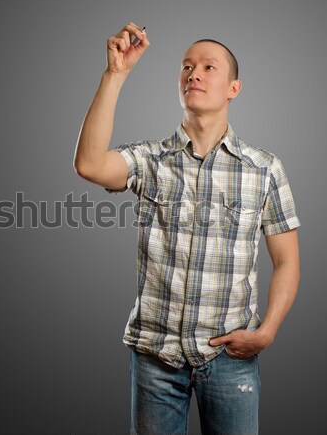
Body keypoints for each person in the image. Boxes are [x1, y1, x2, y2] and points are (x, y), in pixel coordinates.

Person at [73, 22, 301, 435]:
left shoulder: (265, 169)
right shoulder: (149, 160)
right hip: (154, 359)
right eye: (186, 66)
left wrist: (266, 332)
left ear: (234, 88)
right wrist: (115, 74)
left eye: (208, 67)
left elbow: (286, 261)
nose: (193, 73)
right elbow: (89, 164)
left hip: (230, 361)